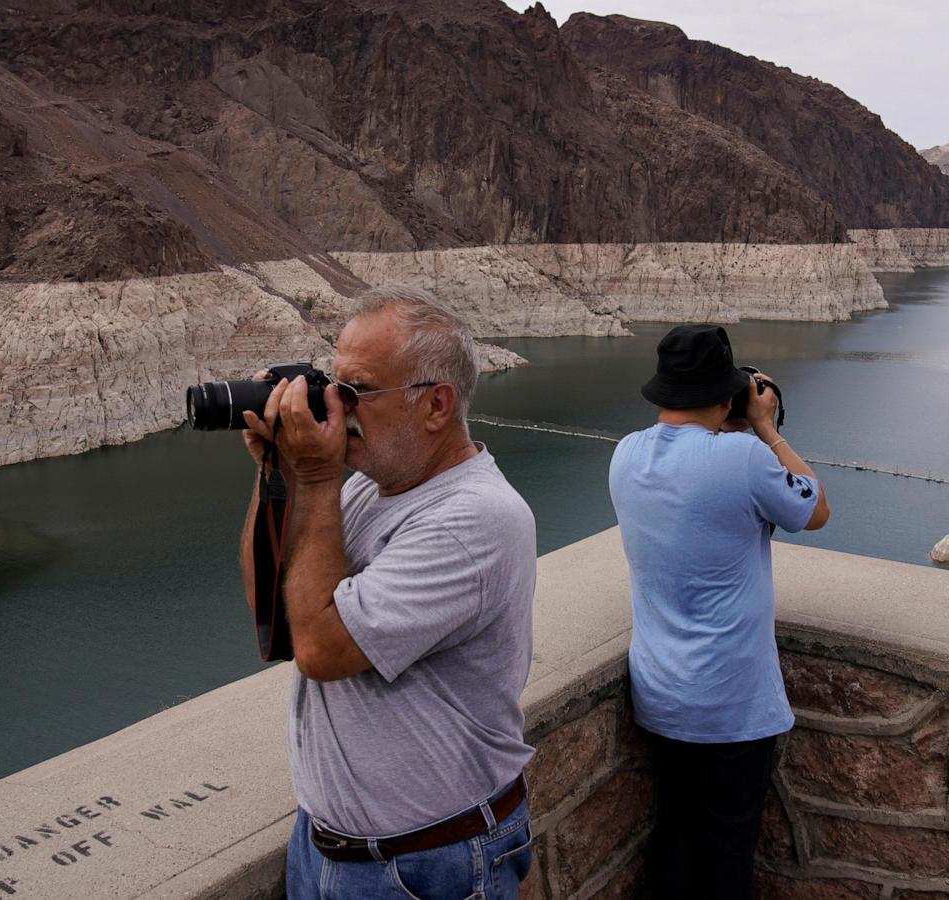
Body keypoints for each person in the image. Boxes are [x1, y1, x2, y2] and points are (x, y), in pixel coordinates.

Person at [238, 285, 538, 900]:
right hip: (330, 848)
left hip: (429, 864)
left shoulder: (474, 518)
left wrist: (317, 475)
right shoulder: (367, 488)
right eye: (332, 381)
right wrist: (278, 472)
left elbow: (319, 652)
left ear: (435, 405)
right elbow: (274, 608)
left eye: (356, 391)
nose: (334, 405)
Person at [608, 324, 830, 899]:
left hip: (660, 693)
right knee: (726, 850)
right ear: (728, 395)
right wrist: (762, 427)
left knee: (675, 837)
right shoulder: (743, 458)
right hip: (730, 702)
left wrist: (731, 425)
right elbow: (815, 509)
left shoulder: (625, 453)